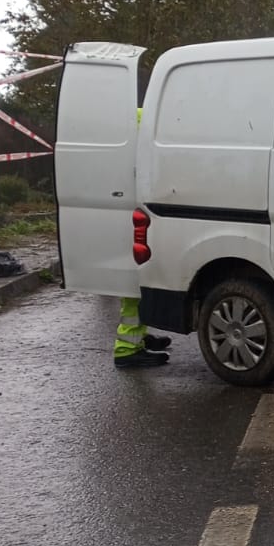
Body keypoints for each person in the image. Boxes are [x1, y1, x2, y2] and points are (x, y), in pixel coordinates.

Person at [114, 104, 171, 369]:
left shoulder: (137, 115)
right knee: (135, 280)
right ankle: (127, 349)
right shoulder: (150, 118)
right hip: (134, 207)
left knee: (138, 278)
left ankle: (139, 337)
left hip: (130, 205)